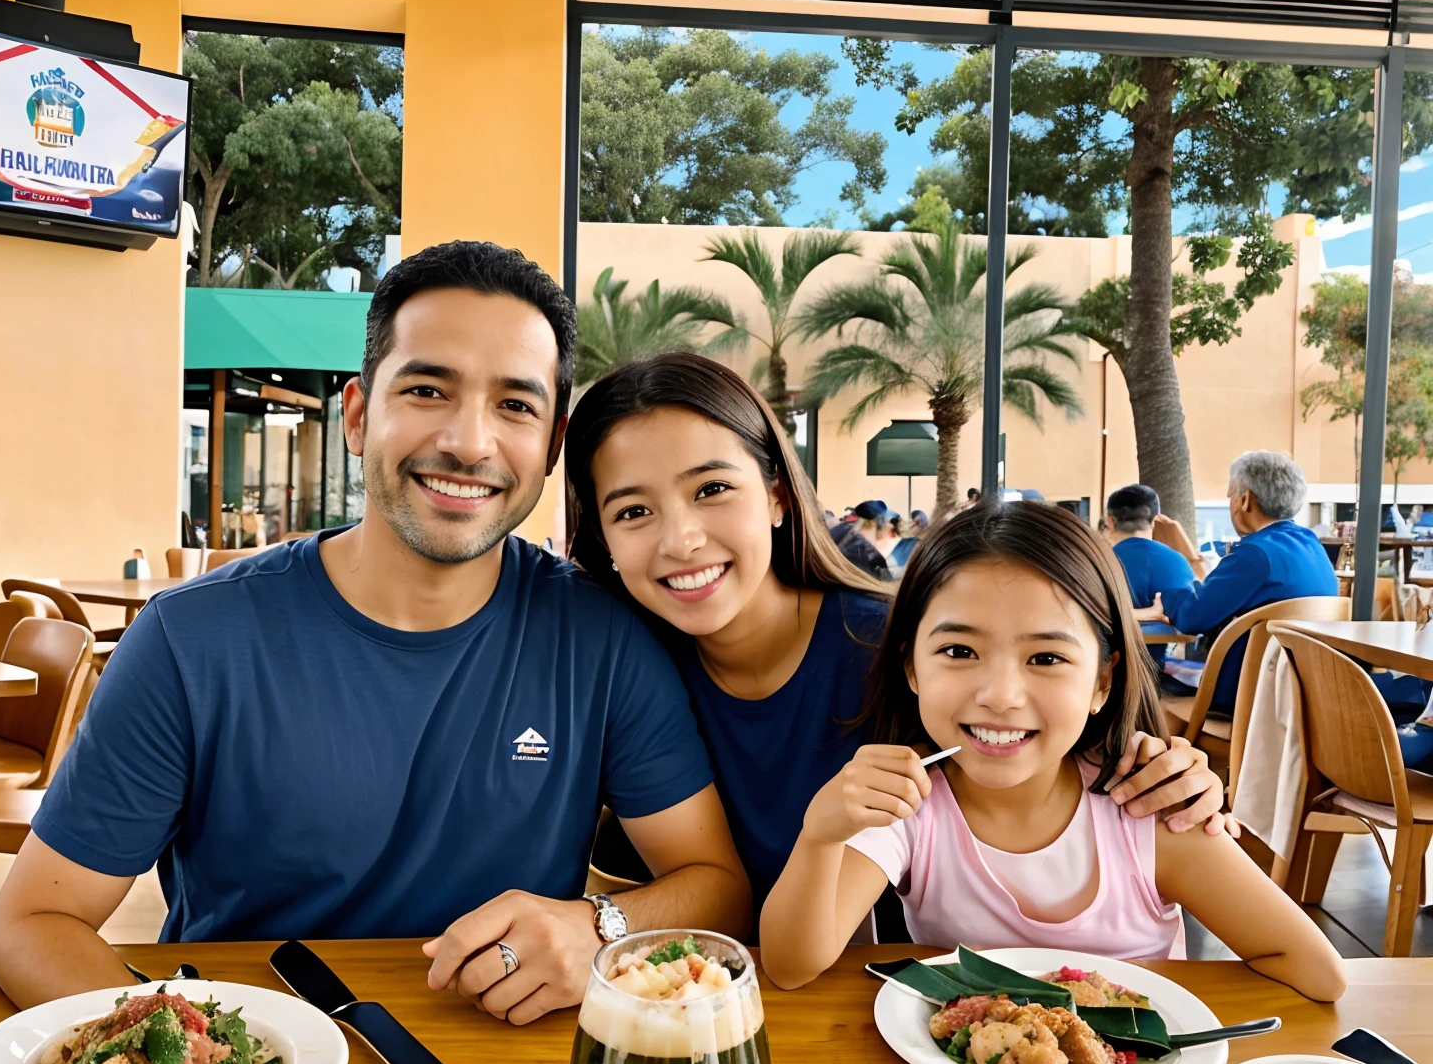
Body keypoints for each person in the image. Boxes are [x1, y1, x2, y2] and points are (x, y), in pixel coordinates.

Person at [0, 242, 751, 1024]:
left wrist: (598, 926)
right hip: (257, 1062)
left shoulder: (604, 640)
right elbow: (32, 923)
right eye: (426, 389)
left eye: (515, 405)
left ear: (552, 449)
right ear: (357, 415)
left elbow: (714, 883)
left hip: (511, 1063)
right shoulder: (190, 641)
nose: (469, 442)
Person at [560, 354, 1224, 930]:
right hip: (699, 994)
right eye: (634, 511)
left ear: (778, 495)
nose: (681, 540)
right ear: (604, 541)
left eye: (712, 489)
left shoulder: (905, 648)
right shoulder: (620, 666)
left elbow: (1074, 756)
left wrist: (1174, 778)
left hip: (901, 1005)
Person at [757, 501, 1346, 1002]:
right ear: (911, 665)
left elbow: (1315, 971)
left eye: (1046, 658)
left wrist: (1170, 1012)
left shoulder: (1148, 807)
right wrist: (820, 836)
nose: (1000, 696)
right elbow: (790, 965)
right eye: (960, 652)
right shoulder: (909, 804)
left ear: (1102, 683)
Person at [1139, 451, 1339, 711]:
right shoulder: (1310, 543)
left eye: (1230, 495)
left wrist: (1166, 596)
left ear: (1245, 499)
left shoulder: (1254, 553)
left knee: (1153, 695)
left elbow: (1192, 618)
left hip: (1249, 696)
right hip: (1301, 691)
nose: (1230, 502)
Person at [1102, 484, 1195, 665]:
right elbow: (1190, 616)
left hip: (1103, 671)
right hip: (1157, 674)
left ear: (1110, 520)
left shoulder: (1095, 562)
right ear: (1154, 520)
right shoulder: (1177, 561)